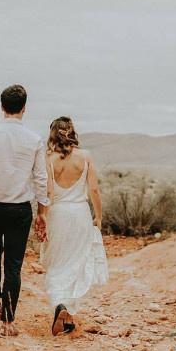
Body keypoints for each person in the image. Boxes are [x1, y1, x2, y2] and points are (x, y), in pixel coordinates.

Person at [0, 84, 49, 337]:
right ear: (24, 108)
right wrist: (42, 213)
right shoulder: (35, 140)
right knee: (14, 264)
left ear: (2, 107)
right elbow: (41, 179)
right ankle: (8, 322)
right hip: (19, 208)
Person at [40, 116, 108, 335]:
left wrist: (41, 216)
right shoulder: (85, 156)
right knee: (76, 262)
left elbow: (47, 192)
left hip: (57, 214)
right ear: (72, 132)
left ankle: (61, 307)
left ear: (53, 134)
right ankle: (66, 311)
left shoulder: (48, 159)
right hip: (79, 214)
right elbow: (94, 190)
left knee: (58, 262)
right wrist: (98, 216)